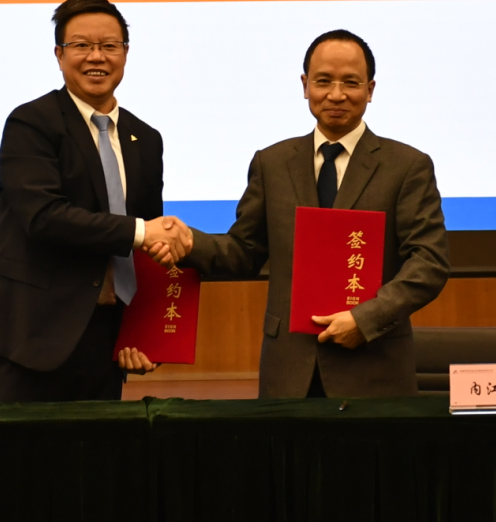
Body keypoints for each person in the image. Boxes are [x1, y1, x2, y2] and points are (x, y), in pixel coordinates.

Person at [169, 29, 448, 398]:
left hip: (373, 368)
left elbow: (429, 262)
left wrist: (365, 320)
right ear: (305, 86)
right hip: (289, 370)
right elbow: (244, 253)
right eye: (323, 81)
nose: (336, 94)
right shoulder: (272, 163)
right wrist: (189, 242)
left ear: (370, 90)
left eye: (351, 82)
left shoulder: (407, 166)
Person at [0, 0, 194, 401]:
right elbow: (44, 217)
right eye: (82, 45)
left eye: (109, 45)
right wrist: (145, 232)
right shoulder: (31, 123)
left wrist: (143, 335)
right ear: (59, 54)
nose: (97, 57)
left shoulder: (146, 139)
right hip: (29, 340)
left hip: (105, 341)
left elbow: (144, 250)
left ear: (125, 53)